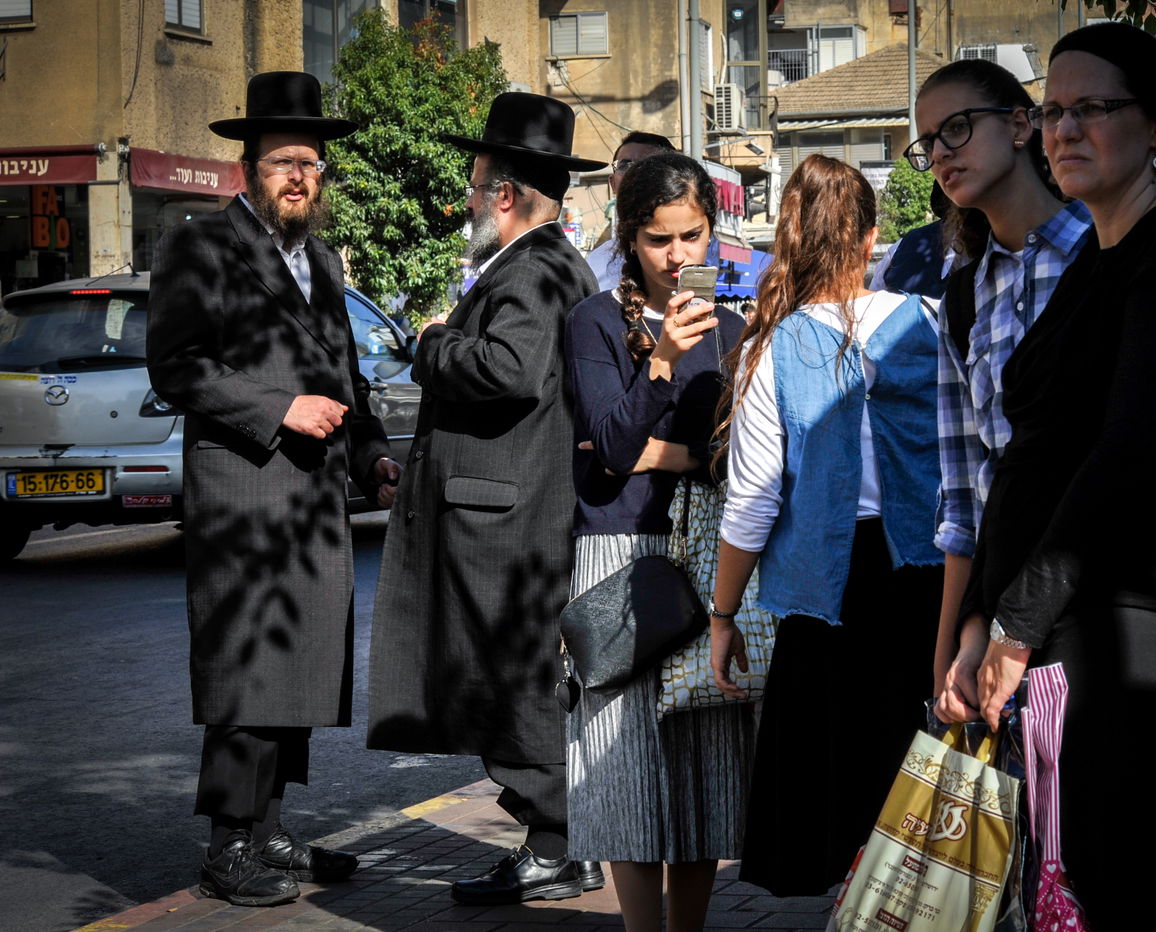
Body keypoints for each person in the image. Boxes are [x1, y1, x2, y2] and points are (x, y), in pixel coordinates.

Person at [936, 22, 1156, 928]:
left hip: (1141, 642)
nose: (1064, 130)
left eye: (1093, 109)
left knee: (1138, 896)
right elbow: (1026, 462)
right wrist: (980, 624)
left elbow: (1129, 462)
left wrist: (1011, 621)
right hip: (1066, 637)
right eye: (1053, 110)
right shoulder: (1100, 262)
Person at [146, 71, 399, 907]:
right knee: (247, 671)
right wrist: (278, 407)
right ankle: (228, 843)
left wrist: (372, 458)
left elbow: (348, 377)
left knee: (295, 666)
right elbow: (178, 366)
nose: (300, 176)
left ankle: (270, 830)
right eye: (283, 161)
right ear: (247, 169)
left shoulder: (323, 260)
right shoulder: (200, 246)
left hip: (314, 501)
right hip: (245, 495)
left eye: (312, 164)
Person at [366, 93, 608, 905]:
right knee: (509, 679)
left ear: (504, 194)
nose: (467, 201)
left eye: (475, 186)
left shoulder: (533, 269)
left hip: (503, 520)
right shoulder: (545, 265)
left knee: (513, 681)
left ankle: (559, 844)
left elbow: (508, 370)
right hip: (506, 509)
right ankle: (554, 841)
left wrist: (435, 342)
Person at [709, 154, 945, 897]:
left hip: (827, 592)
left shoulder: (772, 347)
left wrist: (722, 615)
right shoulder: (930, 322)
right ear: (874, 237)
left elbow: (751, 503)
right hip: (929, 576)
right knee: (924, 781)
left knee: (839, 791)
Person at [564, 151, 753, 932]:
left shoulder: (736, 328)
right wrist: (665, 363)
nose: (679, 257)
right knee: (627, 774)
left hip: (708, 560)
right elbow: (610, 445)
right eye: (658, 239)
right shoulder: (595, 321)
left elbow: (740, 456)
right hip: (621, 556)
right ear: (630, 237)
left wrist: (669, 453)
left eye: (693, 236)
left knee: (705, 770)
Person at [903, 58, 1093, 691]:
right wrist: (950, 645)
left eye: (956, 128)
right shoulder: (964, 294)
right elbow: (963, 494)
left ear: (1020, 126)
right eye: (927, 142)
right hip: (1003, 591)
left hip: (1111, 593)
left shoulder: (1107, 249)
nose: (939, 152)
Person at [587, 132, 678, 291]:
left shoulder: (683, 252)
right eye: (624, 165)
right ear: (613, 183)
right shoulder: (595, 261)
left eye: (646, 164)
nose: (634, 173)